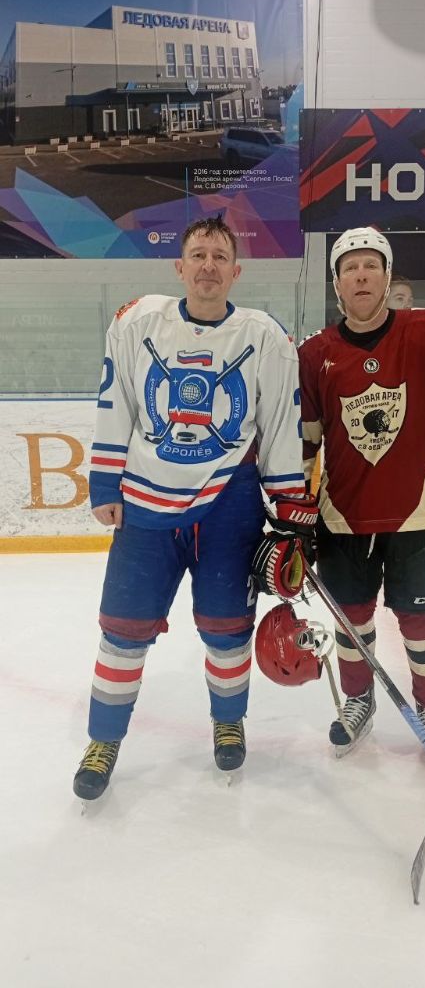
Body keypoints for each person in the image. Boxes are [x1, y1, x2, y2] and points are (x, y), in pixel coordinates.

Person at [73, 215, 317, 800]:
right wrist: (105, 482)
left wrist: (289, 505)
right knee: (122, 632)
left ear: (236, 271)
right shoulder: (137, 322)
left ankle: (228, 722)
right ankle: (103, 740)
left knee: (227, 630)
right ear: (180, 267)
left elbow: (280, 424)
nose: (209, 265)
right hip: (145, 507)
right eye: (199, 255)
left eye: (220, 256)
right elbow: (117, 401)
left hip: (229, 507)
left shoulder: (265, 337)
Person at [298, 227, 425, 757]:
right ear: (336, 283)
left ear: (387, 277)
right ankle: (359, 699)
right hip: (343, 517)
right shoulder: (314, 354)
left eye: (371, 265)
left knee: (422, 621)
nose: (361, 276)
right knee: (351, 618)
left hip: (418, 511)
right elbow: (306, 441)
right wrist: (293, 506)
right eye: (349, 268)